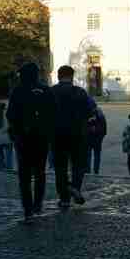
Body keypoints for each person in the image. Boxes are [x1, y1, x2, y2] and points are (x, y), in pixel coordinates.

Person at [7, 62, 56, 222]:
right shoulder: (46, 90)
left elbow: (11, 115)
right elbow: (53, 112)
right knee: (40, 173)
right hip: (42, 138)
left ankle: (28, 209)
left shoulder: (18, 91)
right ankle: (38, 205)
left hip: (23, 138)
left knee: (25, 175)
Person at [51, 65, 92, 209]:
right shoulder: (80, 92)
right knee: (78, 165)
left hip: (57, 135)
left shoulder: (52, 92)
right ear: (72, 77)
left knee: (60, 167)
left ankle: (64, 198)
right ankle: (75, 187)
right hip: (78, 134)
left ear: (58, 76)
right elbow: (90, 111)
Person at [85, 103, 107, 175]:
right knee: (95, 155)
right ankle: (94, 170)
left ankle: (90, 170)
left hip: (93, 139)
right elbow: (104, 130)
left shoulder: (89, 114)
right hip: (94, 139)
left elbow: (104, 130)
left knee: (91, 155)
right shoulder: (100, 115)